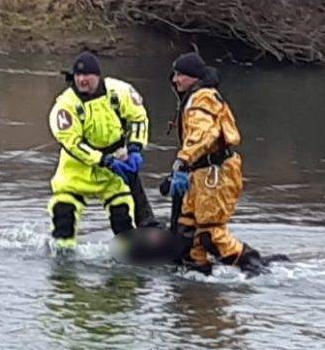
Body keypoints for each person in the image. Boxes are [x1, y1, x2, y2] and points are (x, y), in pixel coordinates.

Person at [166, 52, 265, 274]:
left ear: (193, 76)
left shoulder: (202, 98)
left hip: (216, 174)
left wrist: (182, 161)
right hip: (202, 173)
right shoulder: (195, 97)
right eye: (175, 74)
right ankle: (198, 281)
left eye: (180, 75)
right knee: (187, 230)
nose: (175, 79)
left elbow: (204, 134)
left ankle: (253, 266)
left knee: (209, 234)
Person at [47, 52, 149, 250]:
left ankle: (129, 259)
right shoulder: (65, 105)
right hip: (75, 172)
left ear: (98, 76)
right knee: (63, 220)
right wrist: (104, 160)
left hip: (114, 171)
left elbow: (139, 118)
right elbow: (72, 143)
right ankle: (63, 261)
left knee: (123, 220)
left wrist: (136, 147)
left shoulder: (119, 92)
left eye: (87, 75)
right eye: (78, 75)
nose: (81, 80)